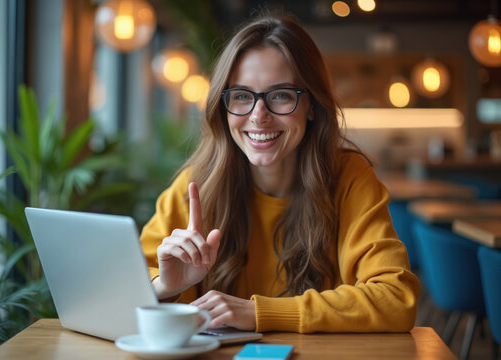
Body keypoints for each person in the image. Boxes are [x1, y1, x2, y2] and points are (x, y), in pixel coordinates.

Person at [140, 13, 420, 333]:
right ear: (224, 105)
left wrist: (260, 312)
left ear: (312, 105)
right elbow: (121, 294)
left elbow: (396, 300)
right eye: (242, 96)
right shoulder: (195, 186)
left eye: (281, 95)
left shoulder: (349, 178)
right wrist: (164, 287)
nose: (259, 116)